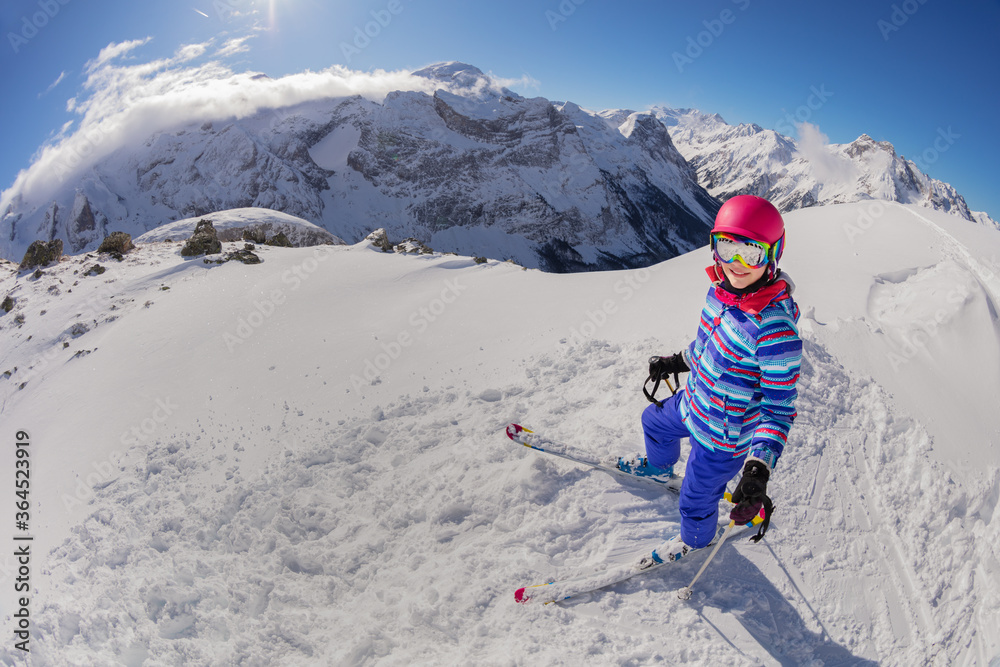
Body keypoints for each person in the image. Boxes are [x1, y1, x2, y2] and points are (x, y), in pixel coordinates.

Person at [619, 194, 802, 560]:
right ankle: (658, 469)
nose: (735, 262)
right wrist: (678, 361)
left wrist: (758, 468)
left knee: (695, 498)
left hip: (722, 437)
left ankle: (695, 540)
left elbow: (778, 410)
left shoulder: (775, 330)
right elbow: (709, 344)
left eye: (750, 252)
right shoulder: (720, 291)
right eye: (726, 246)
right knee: (653, 422)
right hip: (693, 403)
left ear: (772, 254)